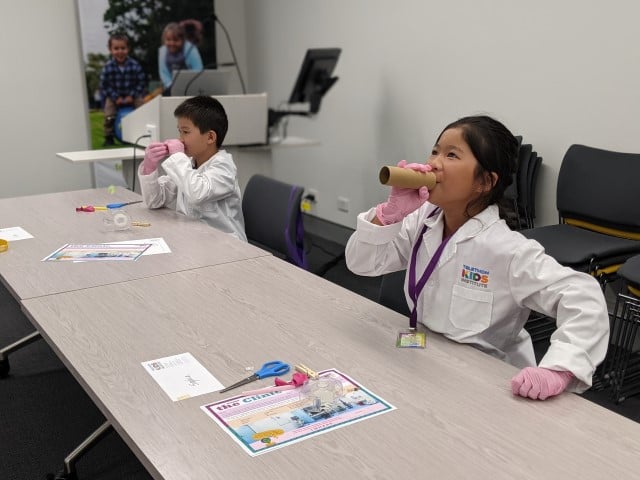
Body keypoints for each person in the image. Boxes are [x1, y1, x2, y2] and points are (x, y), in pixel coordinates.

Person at [345, 115, 609, 401]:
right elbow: (362, 264)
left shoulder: (507, 249)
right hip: (424, 361)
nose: (434, 163)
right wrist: (387, 217)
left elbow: (584, 297)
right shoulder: (422, 220)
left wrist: (559, 369)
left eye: (451, 154)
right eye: (435, 151)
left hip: (485, 383)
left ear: (485, 181)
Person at [138, 95, 246, 242]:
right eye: (179, 131)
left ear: (210, 137)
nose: (180, 138)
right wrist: (149, 167)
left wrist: (177, 156)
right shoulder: (189, 164)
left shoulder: (224, 167)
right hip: (194, 241)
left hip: (226, 246)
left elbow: (197, 192)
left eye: (186, 132)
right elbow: (155, 201)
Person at [99, 33, 146, 146]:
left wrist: (132, 95)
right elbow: (104, 85)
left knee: (142, 108)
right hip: (114, 96)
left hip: (132, 95)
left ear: (128, 49)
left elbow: (141, 82)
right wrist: (115, 97)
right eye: (116, 48)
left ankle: (143, 133)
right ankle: (109, 136)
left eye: (123, 48)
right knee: (109, 113)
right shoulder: (108, 67)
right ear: (110, 50)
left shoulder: (135, 65)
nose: (120, 51)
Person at [158, 22, 203, 94]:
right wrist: (172, 87)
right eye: (168, 40)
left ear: (182, 40)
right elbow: (163, 72)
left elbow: (198, 70)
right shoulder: (162, 51)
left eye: (175, 40)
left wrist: (189, 86)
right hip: (171, 87)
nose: (172, 43)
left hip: (191, 87)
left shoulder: (191, 49)